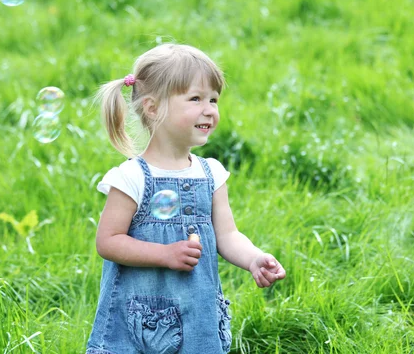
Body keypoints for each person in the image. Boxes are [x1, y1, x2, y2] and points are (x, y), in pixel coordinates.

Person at [86, 43, 286, 354]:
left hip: (198, 317)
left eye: (214, 100)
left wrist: (253, 258)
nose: (210, 109)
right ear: (153, 108)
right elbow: (108, 242)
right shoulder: (132, 177)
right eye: (195, 98)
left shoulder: (211, 173)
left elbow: (227, 234)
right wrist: (164, 254)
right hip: (142, 326)